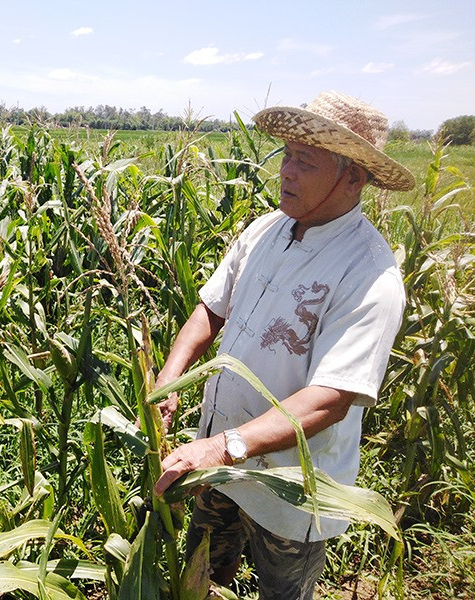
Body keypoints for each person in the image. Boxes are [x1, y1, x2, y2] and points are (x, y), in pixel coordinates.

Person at [151, 90, 414, 599]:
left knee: (282, 593)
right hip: (218, 466)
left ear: (353, 176)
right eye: (287, 156)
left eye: (306, 161)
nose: (286, 172)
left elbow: (332, 399)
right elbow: (211, 308)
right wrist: (172, 376)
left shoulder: (369, 275)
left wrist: (226, 448)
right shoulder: (265, 229)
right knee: (200, 578)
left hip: (291, 488)